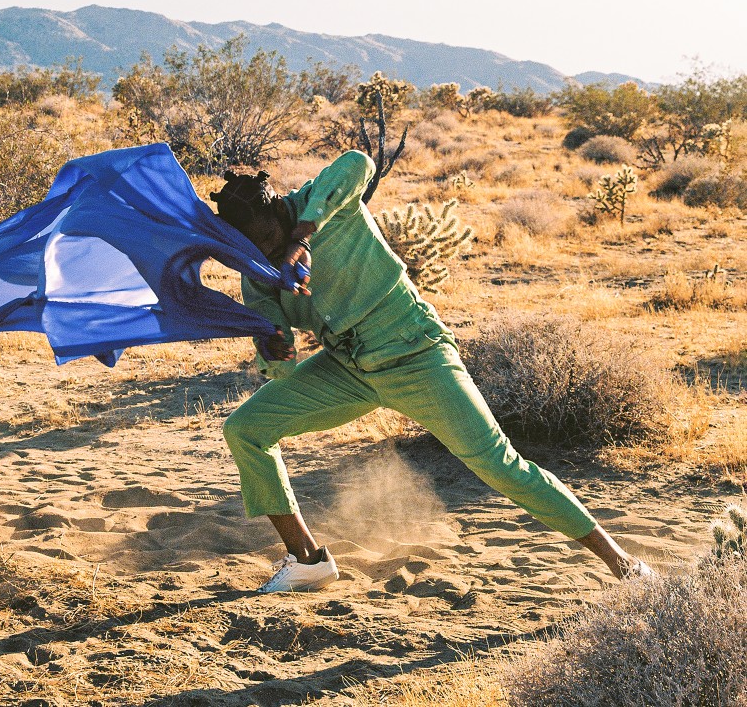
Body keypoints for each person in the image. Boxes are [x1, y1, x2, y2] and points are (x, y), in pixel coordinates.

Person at [211, 150, 653, 593]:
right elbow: (280, 358)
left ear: (279, 211)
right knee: (247, 429)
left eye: (270, 239)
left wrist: (302, 237)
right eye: (255, 248)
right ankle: (307, 560)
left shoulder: (323, 204)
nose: (268, 252)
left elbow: (358, 163)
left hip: (417, 353)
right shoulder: (258, 269)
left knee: (500, 464)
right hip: (348, 367)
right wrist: (274, 347)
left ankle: (623, 564)